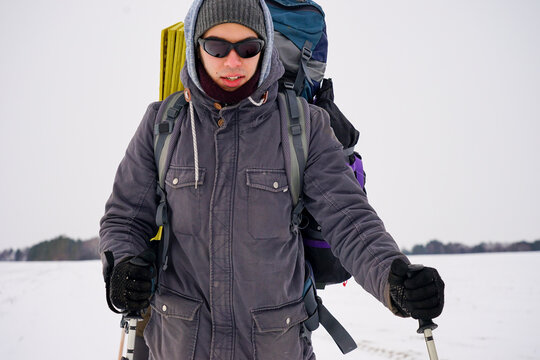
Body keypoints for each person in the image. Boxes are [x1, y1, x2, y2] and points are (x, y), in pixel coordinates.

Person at [99, 0, 445, 359]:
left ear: (265, 48)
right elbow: (124, 219)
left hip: (276, 347)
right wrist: (122, 268)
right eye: (217, 47)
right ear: (195, 45)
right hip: (178, 346)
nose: (233, 62)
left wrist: (395, 278)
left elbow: (350, 220)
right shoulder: (163, 124)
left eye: (248, 48)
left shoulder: (303, 127)